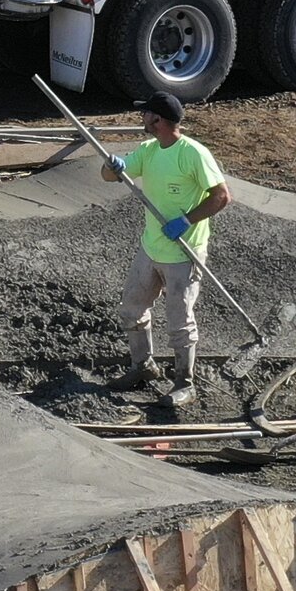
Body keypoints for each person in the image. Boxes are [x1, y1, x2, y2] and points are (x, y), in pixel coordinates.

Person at [100, 91, 232, 404]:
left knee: (179, 320)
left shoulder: (193, 154)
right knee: (132, 307)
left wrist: (186, 221)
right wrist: (113, 167)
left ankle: (184, 383)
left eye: (145, 114)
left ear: (157, 120)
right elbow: (108, 176)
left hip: (183, 254)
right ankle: (143, 366)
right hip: (151, 249)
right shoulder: (148, 150)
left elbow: (221, 196)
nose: (141, 118)